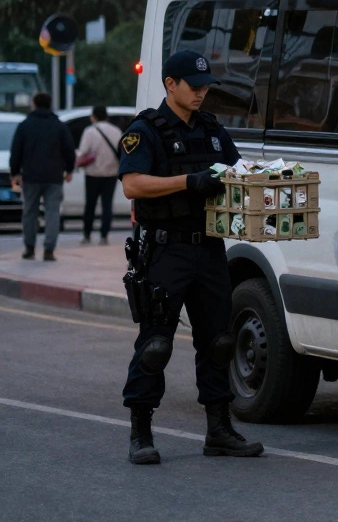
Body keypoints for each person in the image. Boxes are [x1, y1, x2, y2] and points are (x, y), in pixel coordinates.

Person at [118, 50, 262, 465]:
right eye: (194, 86)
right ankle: (140, 433)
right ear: (170, 85)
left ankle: (219, 430)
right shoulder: (146, 130)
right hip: (166, 249)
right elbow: (133, 185)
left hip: (210, 248)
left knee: (219, 342)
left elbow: (238, 173)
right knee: (156, 344)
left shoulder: (213, 130)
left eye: (206, 86)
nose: (201, 93)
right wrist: (188, 181)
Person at [8, 91, 75, 261]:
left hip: (30, 176)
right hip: (54, 176)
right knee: (52, 212)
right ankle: (49, 250)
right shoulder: (59, 125)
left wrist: (15, 172)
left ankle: (29, 248)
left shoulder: (25, 125)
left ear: (35, 104)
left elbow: (16, 151)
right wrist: (69, 170)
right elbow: (69, 150)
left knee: (30, 211)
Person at [76, 105, 123, 245]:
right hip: (111, 173)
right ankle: (104, 236)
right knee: (107, 205)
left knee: (90, 205)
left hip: (93, 173)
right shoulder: (116, 131)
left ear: (93, 117)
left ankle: (87, 234)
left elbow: (83, 151)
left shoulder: (89, 131)